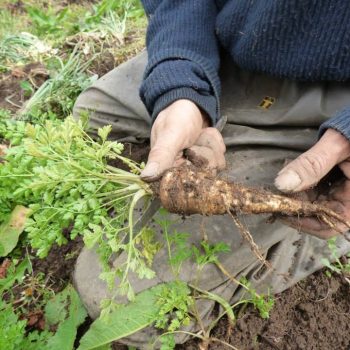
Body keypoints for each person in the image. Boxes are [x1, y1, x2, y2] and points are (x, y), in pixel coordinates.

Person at [73, 1, 350, 348]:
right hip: (229, 47)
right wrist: (180, 83)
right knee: (85, 119)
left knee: (110, 295)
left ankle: (331, 219)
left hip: (337, 94)